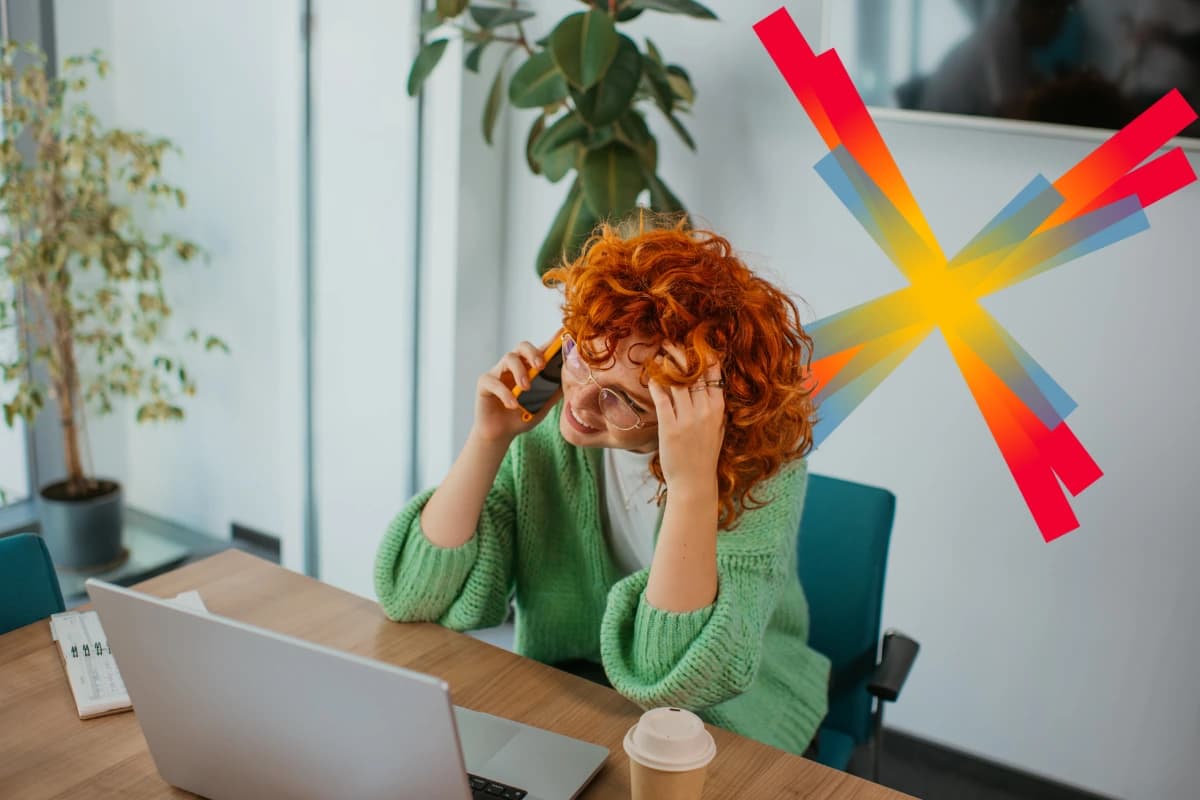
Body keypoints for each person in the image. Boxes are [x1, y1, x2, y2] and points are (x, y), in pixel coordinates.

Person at [374, 213, 831, 757]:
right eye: (580, 356)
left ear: (700, 410)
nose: (580, 401)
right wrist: (488, 439)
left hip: (728, 719)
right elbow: (411, 595)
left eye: (622, 398)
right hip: (574, 692)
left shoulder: (762, 469)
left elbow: (680, 682)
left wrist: (691, 488)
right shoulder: (548, 434)